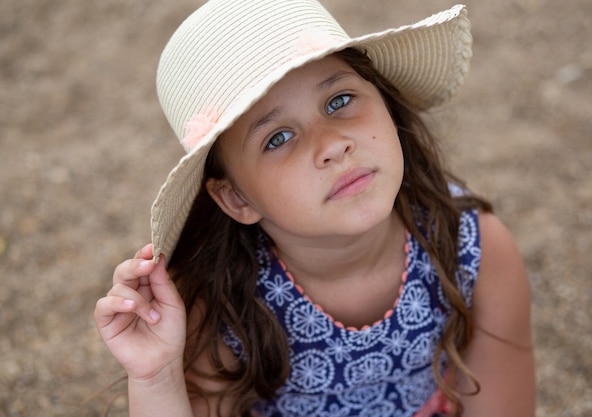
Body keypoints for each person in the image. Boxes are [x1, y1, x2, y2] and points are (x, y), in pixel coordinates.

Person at [94, 0, 535, 416]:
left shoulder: (473, 247)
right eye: (278, 138)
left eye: (339, 101)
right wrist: (155, 377)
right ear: (237, 198)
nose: (331, 144)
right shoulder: (220, 305)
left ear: (385, 104)